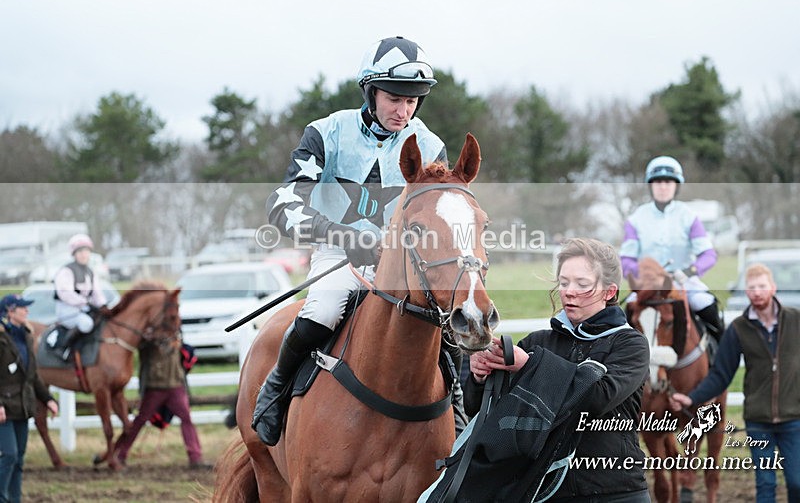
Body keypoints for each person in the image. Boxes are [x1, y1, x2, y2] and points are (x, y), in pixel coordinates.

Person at [252, 35, 467, 446]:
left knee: (447, 325)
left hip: (403, 261)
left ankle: (457, 409)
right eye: (393, 98)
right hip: (339, 251)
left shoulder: (430, 144)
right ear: (370, 91)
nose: (403, 111)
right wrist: (342, 236)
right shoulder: (325, 132)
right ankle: (275, 389)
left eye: (412, 101)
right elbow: (282, 203)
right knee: (325, 308)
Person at [464, 238, 651, 502]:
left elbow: (596, 399)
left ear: (610, 292)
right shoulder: (537, 342)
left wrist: (529, 366)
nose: (569, 292)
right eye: (563, 283)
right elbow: (482, 411)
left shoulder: (630, 343)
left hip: (616, 491)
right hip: (544, 491)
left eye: (582, 284)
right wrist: (481, 376)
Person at [670, 263, 800, 503]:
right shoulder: (738, 329)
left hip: (794, 417)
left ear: (773, 288)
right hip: (758, 419)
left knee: (796, 482)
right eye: (751, 288)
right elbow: (721, 374)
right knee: (765, 483)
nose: (757, 292)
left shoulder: (794, 320)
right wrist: (691, 398)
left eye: (762, 286)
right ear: (746, 292)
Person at [620, 155, 725, 344]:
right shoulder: (635, 219)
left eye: (668, 182)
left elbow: (708, 255)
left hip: (683, 282)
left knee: (707, 305)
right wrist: (644, 275)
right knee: (625, 314)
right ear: (650, 185)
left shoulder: (689, 217)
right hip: (648, 286)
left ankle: (720, 358)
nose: (662, 187)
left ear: (676, 186)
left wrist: (689, 271)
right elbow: (626, 260)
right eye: (658, 182)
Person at [113, 333, 210, 469]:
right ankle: (120, 454)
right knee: (140, 420)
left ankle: (195, 457)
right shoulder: (148, 338)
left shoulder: (175, 333)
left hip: (175, 386)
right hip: (155, 388)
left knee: (186, 418)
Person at [0, 294, 59, 503]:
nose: (27, 311)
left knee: (19, 459)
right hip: (4, 408)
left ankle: (14, 499)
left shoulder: (26, 336)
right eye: (22, 308)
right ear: (9, 312)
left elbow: (32, 375)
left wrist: (48, 399)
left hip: (23, 405)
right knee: (9, 455)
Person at [53, 233, 107, 361]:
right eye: (80, 251)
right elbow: (65, 293)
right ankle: (64, 349)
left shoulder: (91, 272)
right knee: (86, 324)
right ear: (74, 254)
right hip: (67, 310)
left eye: (86, 251)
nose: (84, 254)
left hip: (83, 309)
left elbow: (97, 293)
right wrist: (85, 303)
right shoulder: (66, 271)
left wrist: (103, 305)